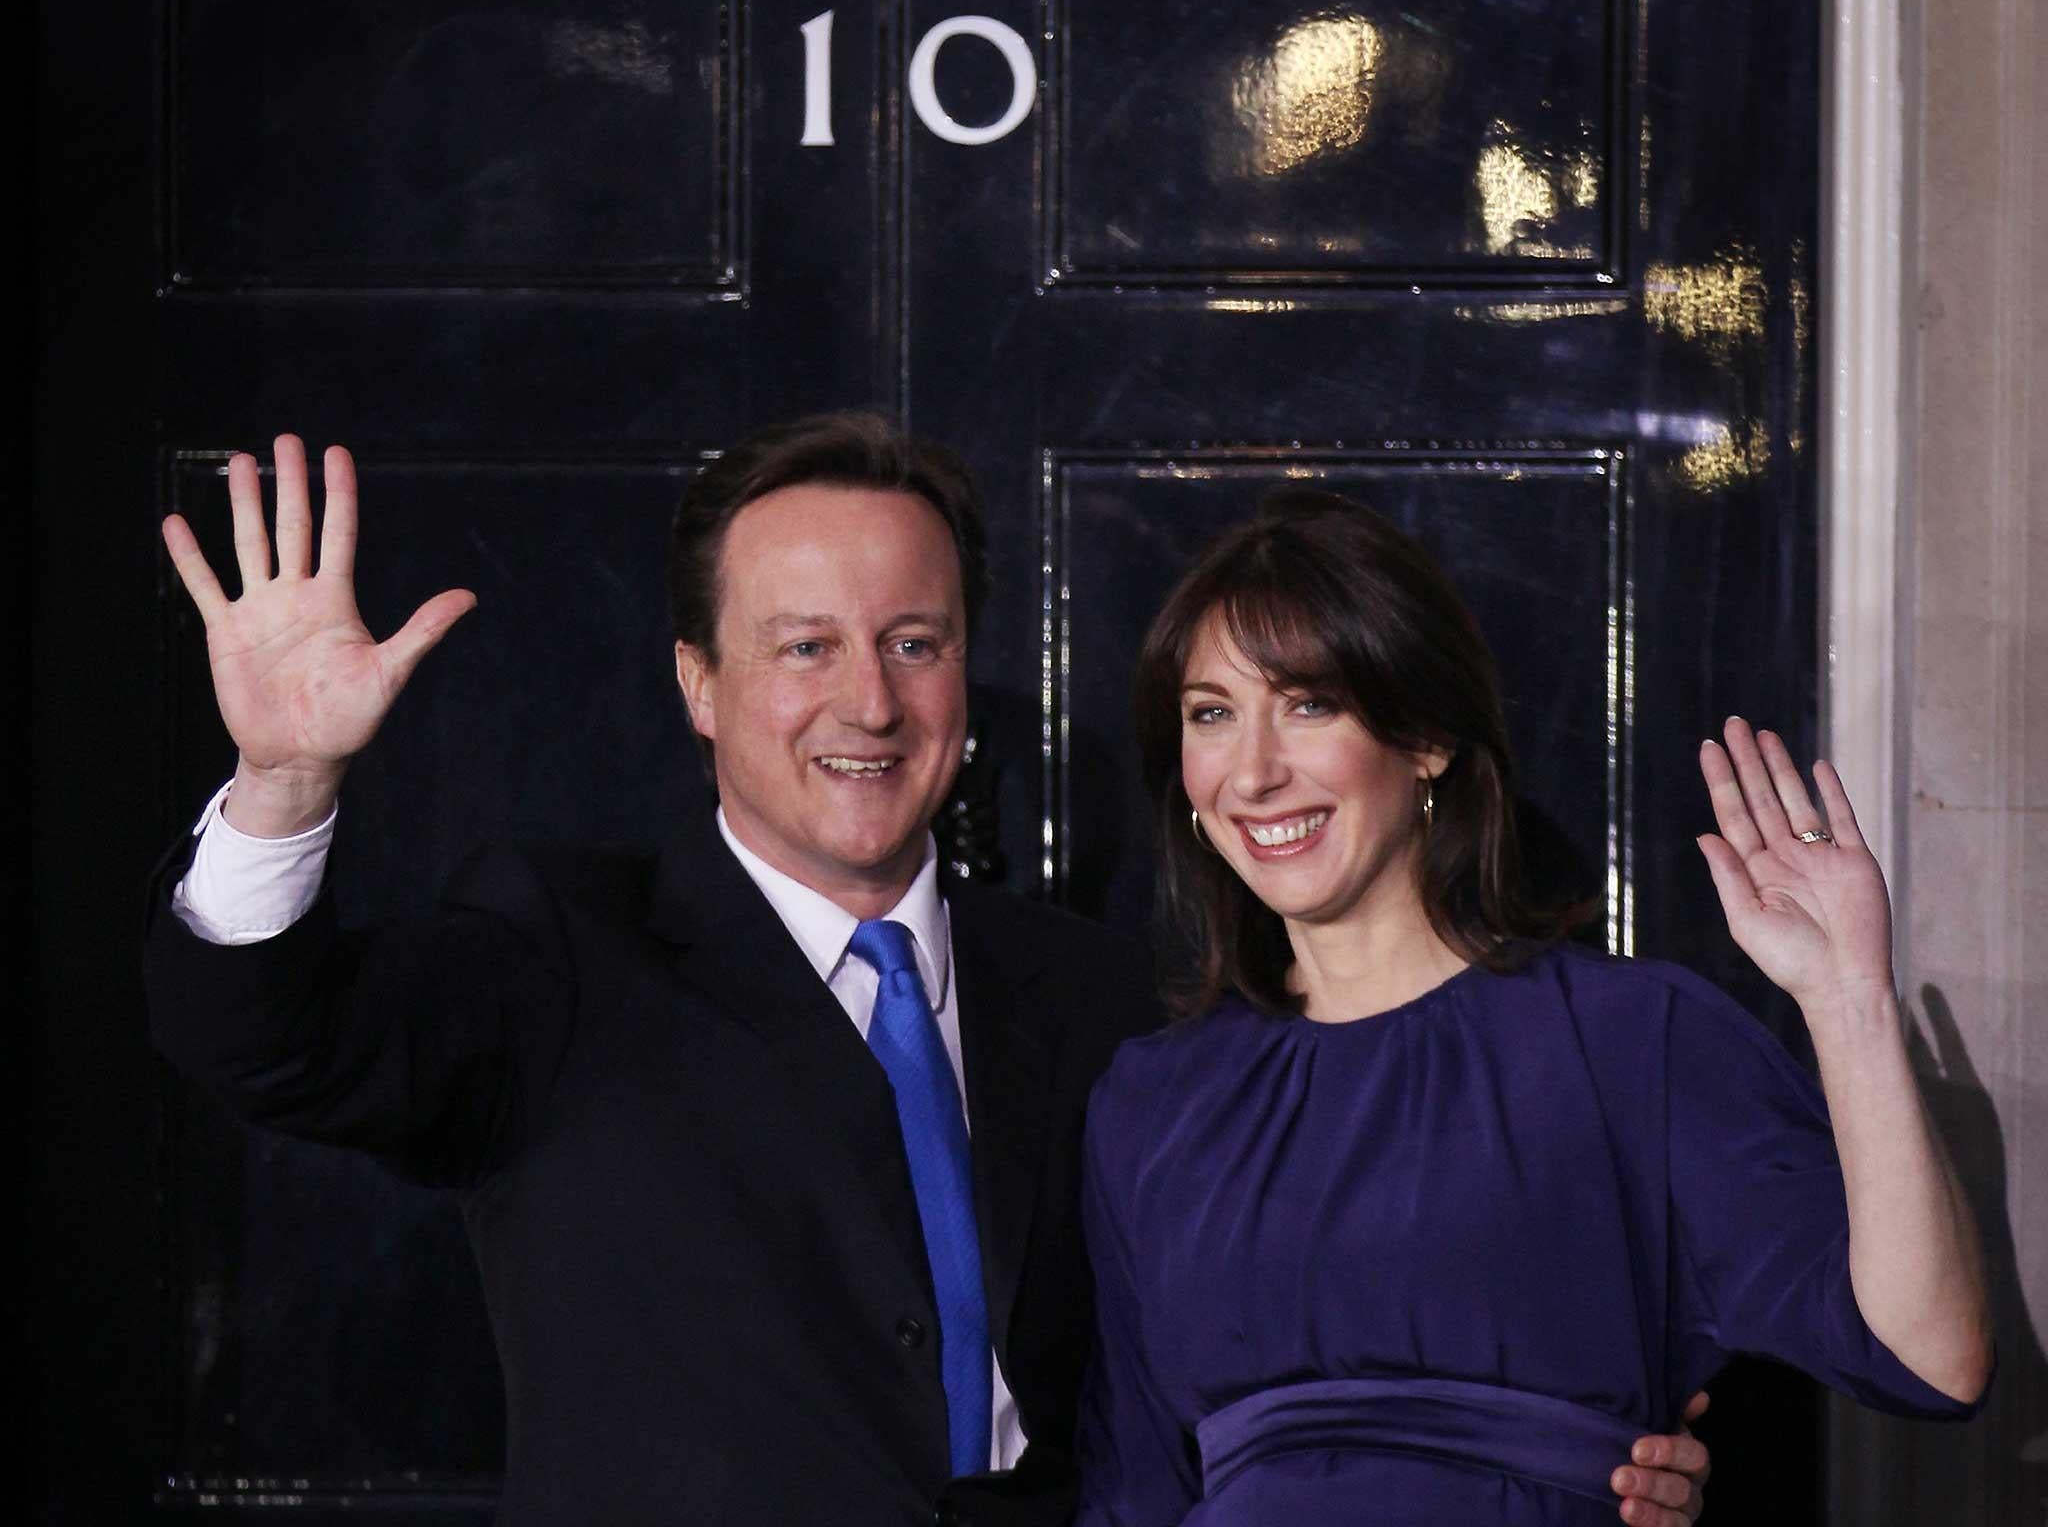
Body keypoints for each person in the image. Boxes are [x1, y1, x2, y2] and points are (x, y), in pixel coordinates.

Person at [144, 418, 1713, 1526]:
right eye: (803, 646)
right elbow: (263, 1039)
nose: (870, 702)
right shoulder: (561, 953)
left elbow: (1293, 1317)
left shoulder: (1100, 997)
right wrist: (283, 785)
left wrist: (1591, 1446)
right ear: (697, 683)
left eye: (915, 640)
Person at [1072, 489, 1994, 1526]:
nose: (1251, 772)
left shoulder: (1630, 1041)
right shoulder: (1151, 1101)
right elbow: (1134, 1487)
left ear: (1423, 737)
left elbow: (1926, 1360)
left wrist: (1848, 999)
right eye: (1210, 714)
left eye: (1308, 703)